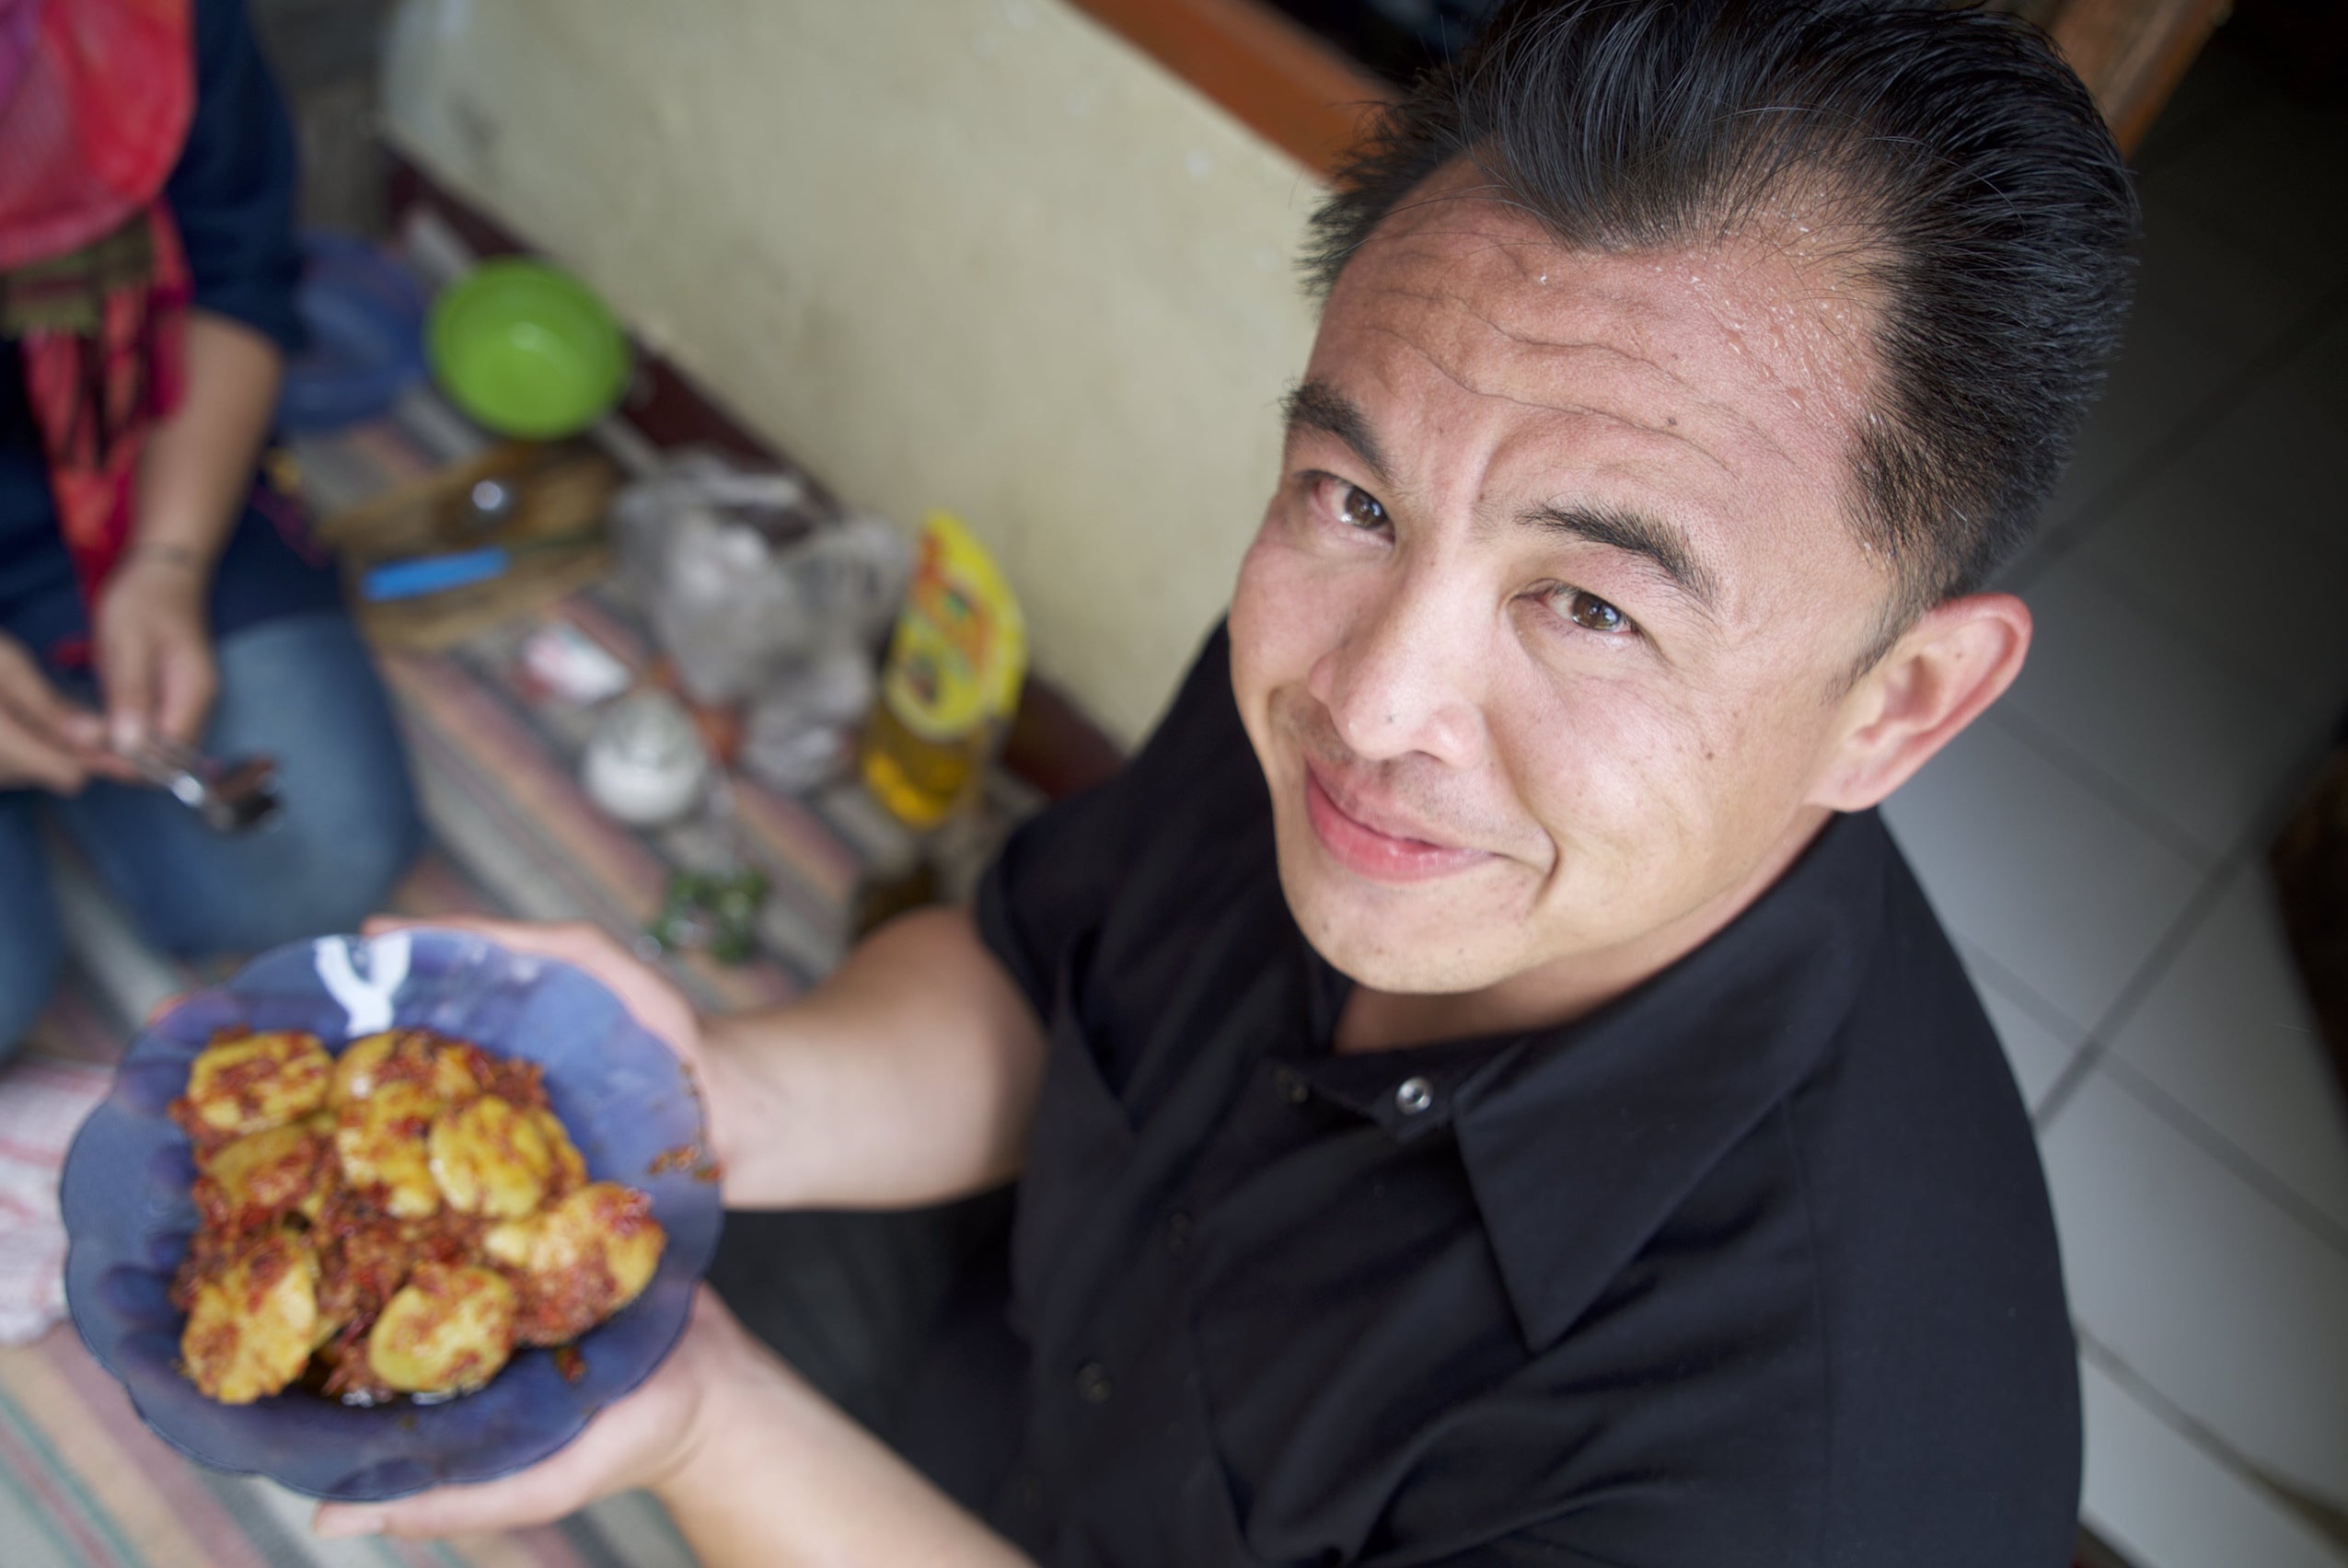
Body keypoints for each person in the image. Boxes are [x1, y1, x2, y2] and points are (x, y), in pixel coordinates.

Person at [316, 0, 2135, 1562]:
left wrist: (706, 1432)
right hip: (1023, 1356)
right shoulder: (1351, 662)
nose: (1370, 698)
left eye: (1587, 603)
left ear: (1899, 703)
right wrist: (712, 1100)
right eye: (1352, 495)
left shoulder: (1788, 1482)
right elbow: (1045, 974)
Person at [0, 0, 422, 1055]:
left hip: (114, 466)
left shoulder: (140, 20)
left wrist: (168, 560)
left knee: (318, 853)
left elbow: (237, 276)